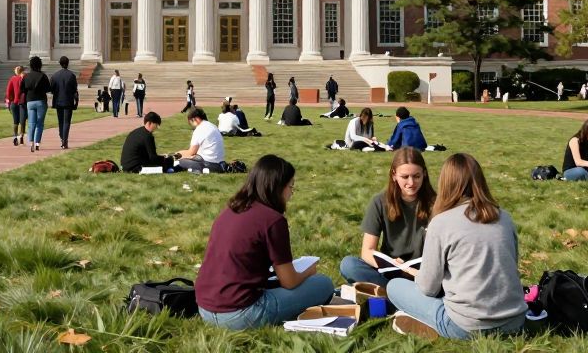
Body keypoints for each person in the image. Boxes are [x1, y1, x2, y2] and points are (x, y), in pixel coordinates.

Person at [387, 153, 525, 339]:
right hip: (515, 321)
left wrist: (416, 274)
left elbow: (428, 288)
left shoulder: (441, 222)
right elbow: (510, 265)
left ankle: (432, 326)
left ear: (446, 183)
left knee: (394, 286)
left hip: (466, 326)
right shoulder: (504, 218)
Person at [195, 154, 335, 329]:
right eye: (291, 186)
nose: (292, 192)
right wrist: (309, 271)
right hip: (240, 314)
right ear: (277, 187)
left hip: (204, 308)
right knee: (323, 284)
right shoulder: (273, 220)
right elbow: (289, 281)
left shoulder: (231, 209)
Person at [340, 147, 435, 288]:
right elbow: (367, 251)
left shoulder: (436, 204)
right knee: (349, 265)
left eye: (416, 176)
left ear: (424, 174)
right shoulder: (379, 201)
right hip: (390, 271)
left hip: (422, 274)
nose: (411, 183)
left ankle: (391, 294)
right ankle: (396, 293)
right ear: (394, 175)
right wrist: (392, 263)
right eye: (405, 177)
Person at [173, 107, 226, 173]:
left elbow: (191, 153)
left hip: (208, 164)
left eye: (191, 122)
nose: (192, 126)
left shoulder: (199, 129)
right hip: (219, 163)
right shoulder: (212, 126)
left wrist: (178, 154)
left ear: (195, 119)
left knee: (178, 162)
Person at [21, 55, 51, 152]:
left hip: (30, 101)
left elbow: (22, 89)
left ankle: (31, 142)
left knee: (31, 123)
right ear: (40, 65)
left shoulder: (26, 76)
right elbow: (48, 89)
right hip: (41, 100)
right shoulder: (43, 76)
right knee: (40, 123)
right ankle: (37, 142)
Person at [51, 56, 79, 150]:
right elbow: (75, 90)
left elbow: (52, 89)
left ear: (60, 63)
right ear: (68, 63)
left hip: (58, 101)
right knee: (66, 122)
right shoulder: (71, 75)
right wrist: (76, 102)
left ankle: (62, 137)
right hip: (68, 101)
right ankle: (64, 141)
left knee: (60, 121)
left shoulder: (55, 75)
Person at [5, 65, 26, 146]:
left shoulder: (13, 79)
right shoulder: (24, 78)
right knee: (22, 121)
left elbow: (8, 92)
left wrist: (10, 101)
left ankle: (15, 137)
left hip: (14, 102)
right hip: (23, 103)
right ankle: (21, 136)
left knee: (15, 121)